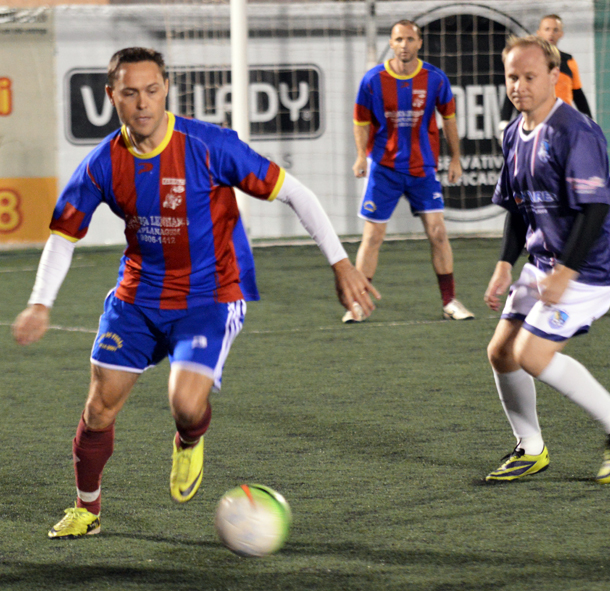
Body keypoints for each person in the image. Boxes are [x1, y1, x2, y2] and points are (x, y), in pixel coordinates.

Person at [12, 47, 379, 538]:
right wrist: (41, 301)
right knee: (98, 408)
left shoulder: (209, 146)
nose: (143, 103)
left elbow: (295, 191)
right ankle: (87, 508)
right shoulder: (104, 163)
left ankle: (189, 439)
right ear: (111, 96)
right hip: (137, 300)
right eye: (129, 92)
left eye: (152, 90)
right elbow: (63, 236)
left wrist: (340, 263)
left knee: (185, 404)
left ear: (166, 89)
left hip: (211, 296)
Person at [483, 35, 610, 483]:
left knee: (531, 355)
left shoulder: (574, 131)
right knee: (501, 352)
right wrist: (504, 262)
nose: (519, 85)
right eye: (512, 77)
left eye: (529, 76)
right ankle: (531, 448)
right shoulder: (513, 133)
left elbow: (595, 209)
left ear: (555, 77)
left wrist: (565, 273)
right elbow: (519, 208)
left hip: (593, 265)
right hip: (547, 260)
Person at [345, 19, 474, 323]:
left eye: (410, 39)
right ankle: (359, 305)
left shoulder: (436, 79)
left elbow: (450, 120)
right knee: (373, 236)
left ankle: (450, 302)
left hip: (422, 169)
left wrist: (456, 158)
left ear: (420, 43)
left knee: (439, 233)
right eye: (399, 39)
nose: (404, 45)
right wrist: (361, 157)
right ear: (391, 43)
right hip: (384, 169)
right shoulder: (372, 80)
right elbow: (360, 121)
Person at [498, 14, 592, 141]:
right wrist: (504, 123)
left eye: (555, 30)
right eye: (547, 29)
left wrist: (589, 121)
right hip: (533, 125)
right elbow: (515, 90)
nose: (551, 34)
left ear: (561, 34)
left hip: (563, 125)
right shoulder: (527, 60)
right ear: (539, 32)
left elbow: (578, 94)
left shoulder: (569, 61)